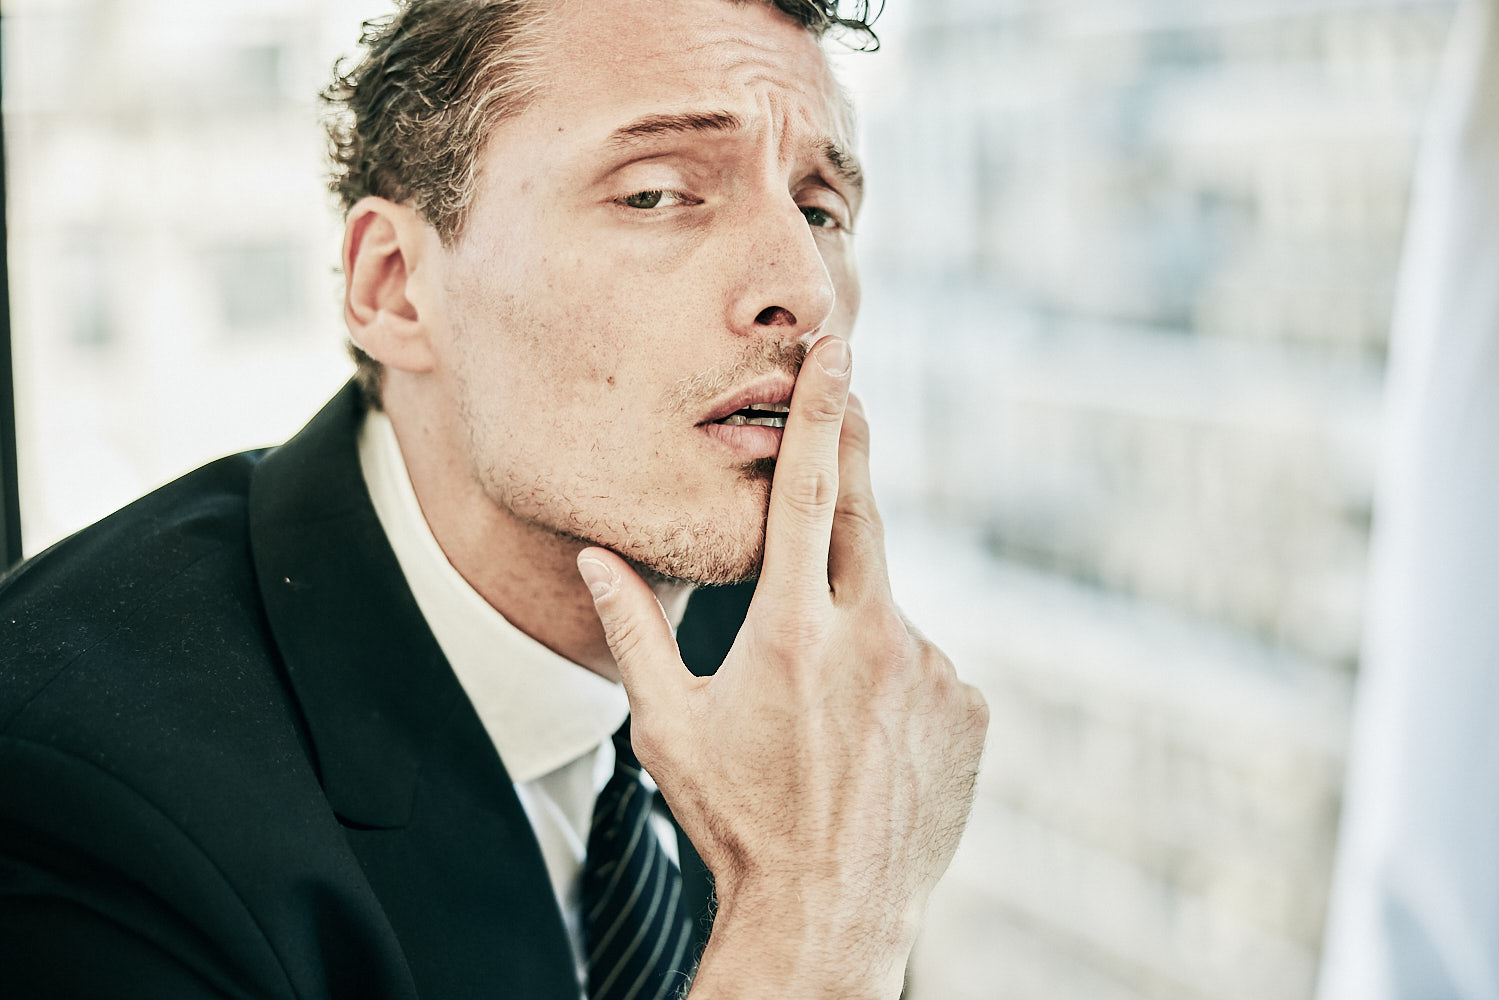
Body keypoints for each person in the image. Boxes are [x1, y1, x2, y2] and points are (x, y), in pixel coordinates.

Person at [0, 0, 989, 998]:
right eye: (655, 194)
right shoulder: (76, 786)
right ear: (393, 286)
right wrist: (809, 928)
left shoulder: (796, 648)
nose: (802, 290)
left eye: (818, 210)